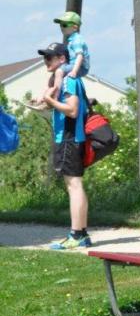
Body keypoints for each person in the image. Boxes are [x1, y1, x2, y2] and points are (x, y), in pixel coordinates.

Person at [38, 42, 91, 250]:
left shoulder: (69, 79)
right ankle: (82, 234)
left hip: (69, 138)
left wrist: (50, 101)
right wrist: (45, 102)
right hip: (70, 137)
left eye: (49, 57)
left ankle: (76, 235)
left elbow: (72, 110)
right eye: (44, 57)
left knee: (74, 186)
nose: (46, 61)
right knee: (75, 185)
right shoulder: (65, 79)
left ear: (62, 59)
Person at [37, 11, 90, 106]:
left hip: (80, 67)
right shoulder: (71, 39)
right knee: (53, 76)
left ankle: (55, 98)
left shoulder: (77, 39)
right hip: (72, 65)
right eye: (61, 25)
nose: (62, 27)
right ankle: (42, 99)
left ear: (75, 27)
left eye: (65, 25)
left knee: (59, 71)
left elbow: (80, 56)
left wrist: (74, 71)